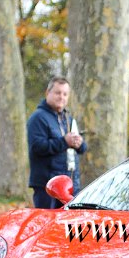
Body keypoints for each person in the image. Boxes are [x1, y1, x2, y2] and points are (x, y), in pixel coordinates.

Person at [27, 75, 87, 209]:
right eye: (58, 93)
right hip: (47, 187)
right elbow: (37, 147)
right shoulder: (38, 118)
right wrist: (64, 141)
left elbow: (82, 148)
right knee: (47, 220)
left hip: (70, 185)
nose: (61, 97)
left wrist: (80, 144)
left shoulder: (68, 118)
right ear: (47, 93)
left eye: (65, 94)